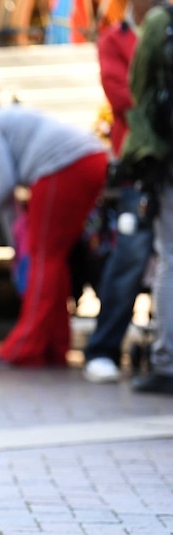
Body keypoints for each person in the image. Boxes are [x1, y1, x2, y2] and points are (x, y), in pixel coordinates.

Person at [0, 81, 109, 367]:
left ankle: (25, 347)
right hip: (85, 160)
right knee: (50, 258)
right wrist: (16, 249)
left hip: (63, 166)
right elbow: (8, 198)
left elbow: (3, 184)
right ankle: (53, 346)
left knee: (45, 259)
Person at [83, 0, 162, 383]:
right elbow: (123, 95)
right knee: (130, 252)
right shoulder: (115, 38)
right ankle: (103, 348)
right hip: (140, 163)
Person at [120, 2, 173, 394]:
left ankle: (167, 360)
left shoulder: (159, 22)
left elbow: (138, 90)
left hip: (167, 157)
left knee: (170, 256)